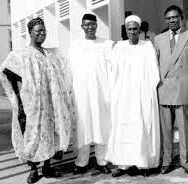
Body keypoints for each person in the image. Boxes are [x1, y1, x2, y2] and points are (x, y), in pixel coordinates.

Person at [0, 17, 73, 184]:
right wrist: (18, 97)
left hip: (50, 104)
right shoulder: (21, 54)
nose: (42, 33)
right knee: (32, 136)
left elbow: (62, 71)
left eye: (44, 30)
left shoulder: (50, 54)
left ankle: (47, 166)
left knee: (49, 134)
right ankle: (33, 169)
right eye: (38, 30)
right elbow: (6, 71)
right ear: (30, 33)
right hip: (32, 104)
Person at [106, 15, 160, 177]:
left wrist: (148, 92)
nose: (132, 32)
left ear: (140, 30)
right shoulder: (119, 47)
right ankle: (123, 164)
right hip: (123, 96)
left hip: (142, 94)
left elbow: (153, 71)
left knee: (142, 127)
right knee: (123, 128)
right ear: (126, 30)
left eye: (135, 29)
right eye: (129, 29)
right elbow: (112, 72)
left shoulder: (147, 46)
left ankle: (143, 164)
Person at [154, 5, 188, 174]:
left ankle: (186, 161)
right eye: (168, 18)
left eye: (175, 17)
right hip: (164, 88)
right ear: (165, 20)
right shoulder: (158, 39)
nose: (172, 21)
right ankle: (166, 160)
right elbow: (155, 65)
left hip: (183, 88)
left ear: (181, 18)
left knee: (184, 129)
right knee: (165, 129)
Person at [69, 13, 113, 175]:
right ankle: (81, 163)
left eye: (92, 24)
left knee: (102, 126)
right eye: (86, 25)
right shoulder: (75, 46)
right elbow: (71, 71)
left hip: (102, 93)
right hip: (82, 94)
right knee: (83, 127)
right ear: (82, 26)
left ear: (97, 25)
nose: (90, 27)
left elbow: (111, 70)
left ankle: (102, 161)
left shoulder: (106, 44)